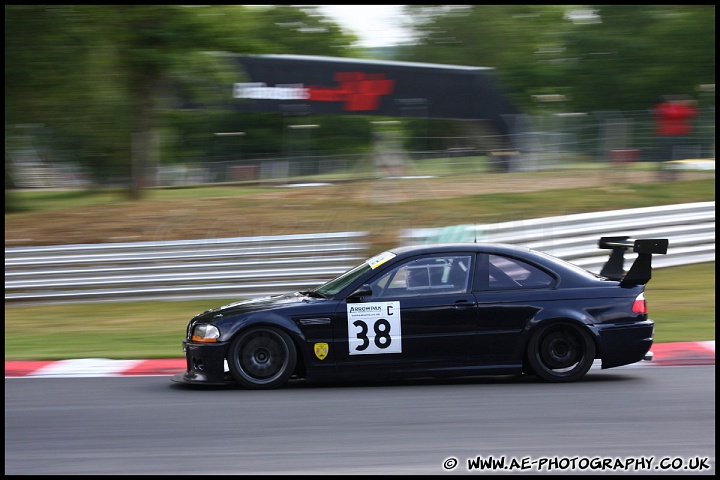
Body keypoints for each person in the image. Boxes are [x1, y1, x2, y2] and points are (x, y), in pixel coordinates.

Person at [653, 95, 698, 180]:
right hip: (666, 135)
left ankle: (674, 175)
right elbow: (673, 114)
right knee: (665, 155)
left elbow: (693, 113)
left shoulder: (681, 108)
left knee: (678, 156)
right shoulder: (663, 107)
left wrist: (691, 106)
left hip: (680, 135)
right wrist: (682, 106)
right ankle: (662, 174)